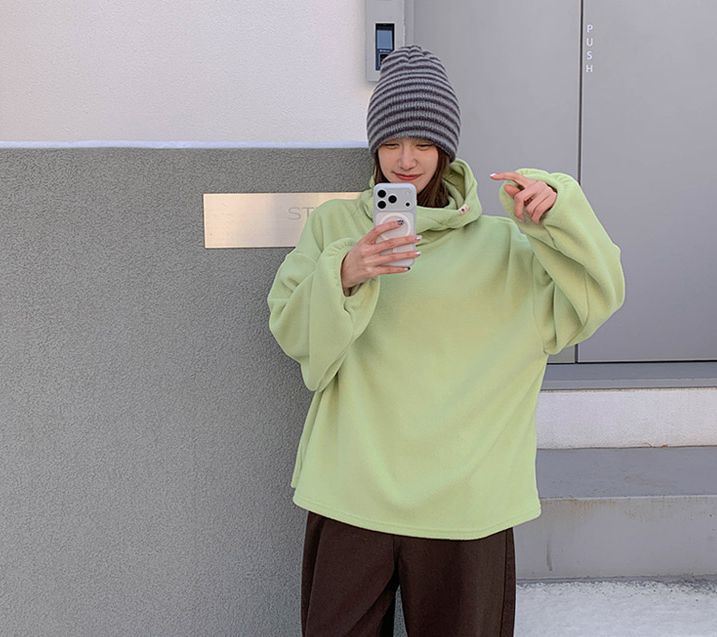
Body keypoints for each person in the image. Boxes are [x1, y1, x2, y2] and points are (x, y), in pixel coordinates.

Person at [267, 45, 624, 636]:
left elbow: (597, 296)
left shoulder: (507, 245)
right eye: (390, 143)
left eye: (423, 143)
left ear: (447, 149)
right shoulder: (336, 226)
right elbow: (290, 330)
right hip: (352, 493)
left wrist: (562, 208)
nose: (405, 160)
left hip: (467, 505)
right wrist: (344, 273)